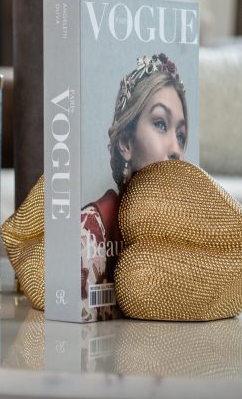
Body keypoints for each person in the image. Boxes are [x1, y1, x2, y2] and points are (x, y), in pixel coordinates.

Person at [80, 53, 188, 320]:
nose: (176, 149)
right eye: (160, 123)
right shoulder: (91, 229)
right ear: (126, 143)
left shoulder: (184, 231)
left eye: (181, 135)